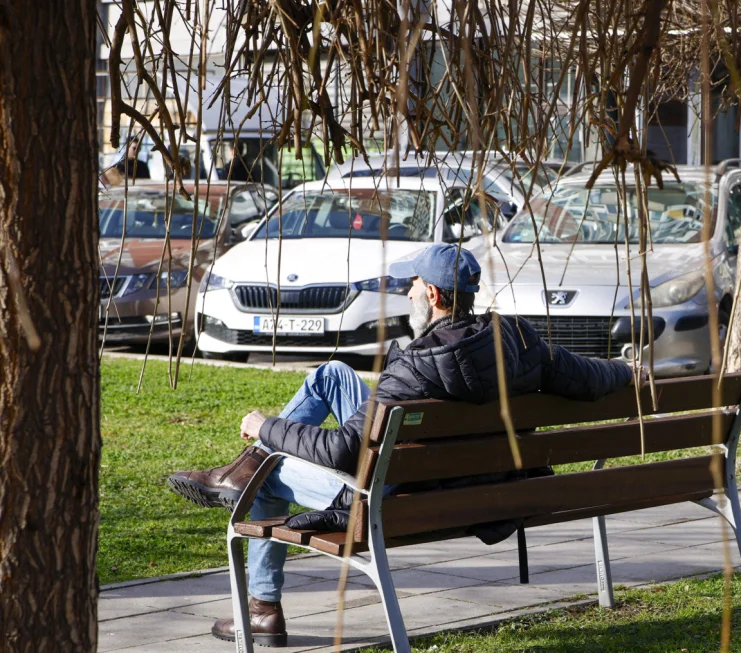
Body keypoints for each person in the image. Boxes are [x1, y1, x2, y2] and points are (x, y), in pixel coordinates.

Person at [167, 244, 638, 647]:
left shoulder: (413, 370)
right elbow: (590, 376)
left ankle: (262, 607)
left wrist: (266, 426)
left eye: (413, 284)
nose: (407, 291)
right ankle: (242, 470)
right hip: (469, 488)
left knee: (270, 469)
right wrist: (629, 371)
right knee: (332, 375)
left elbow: (341, 452)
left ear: (432, 295)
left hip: (391, 497)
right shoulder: (517, 341)